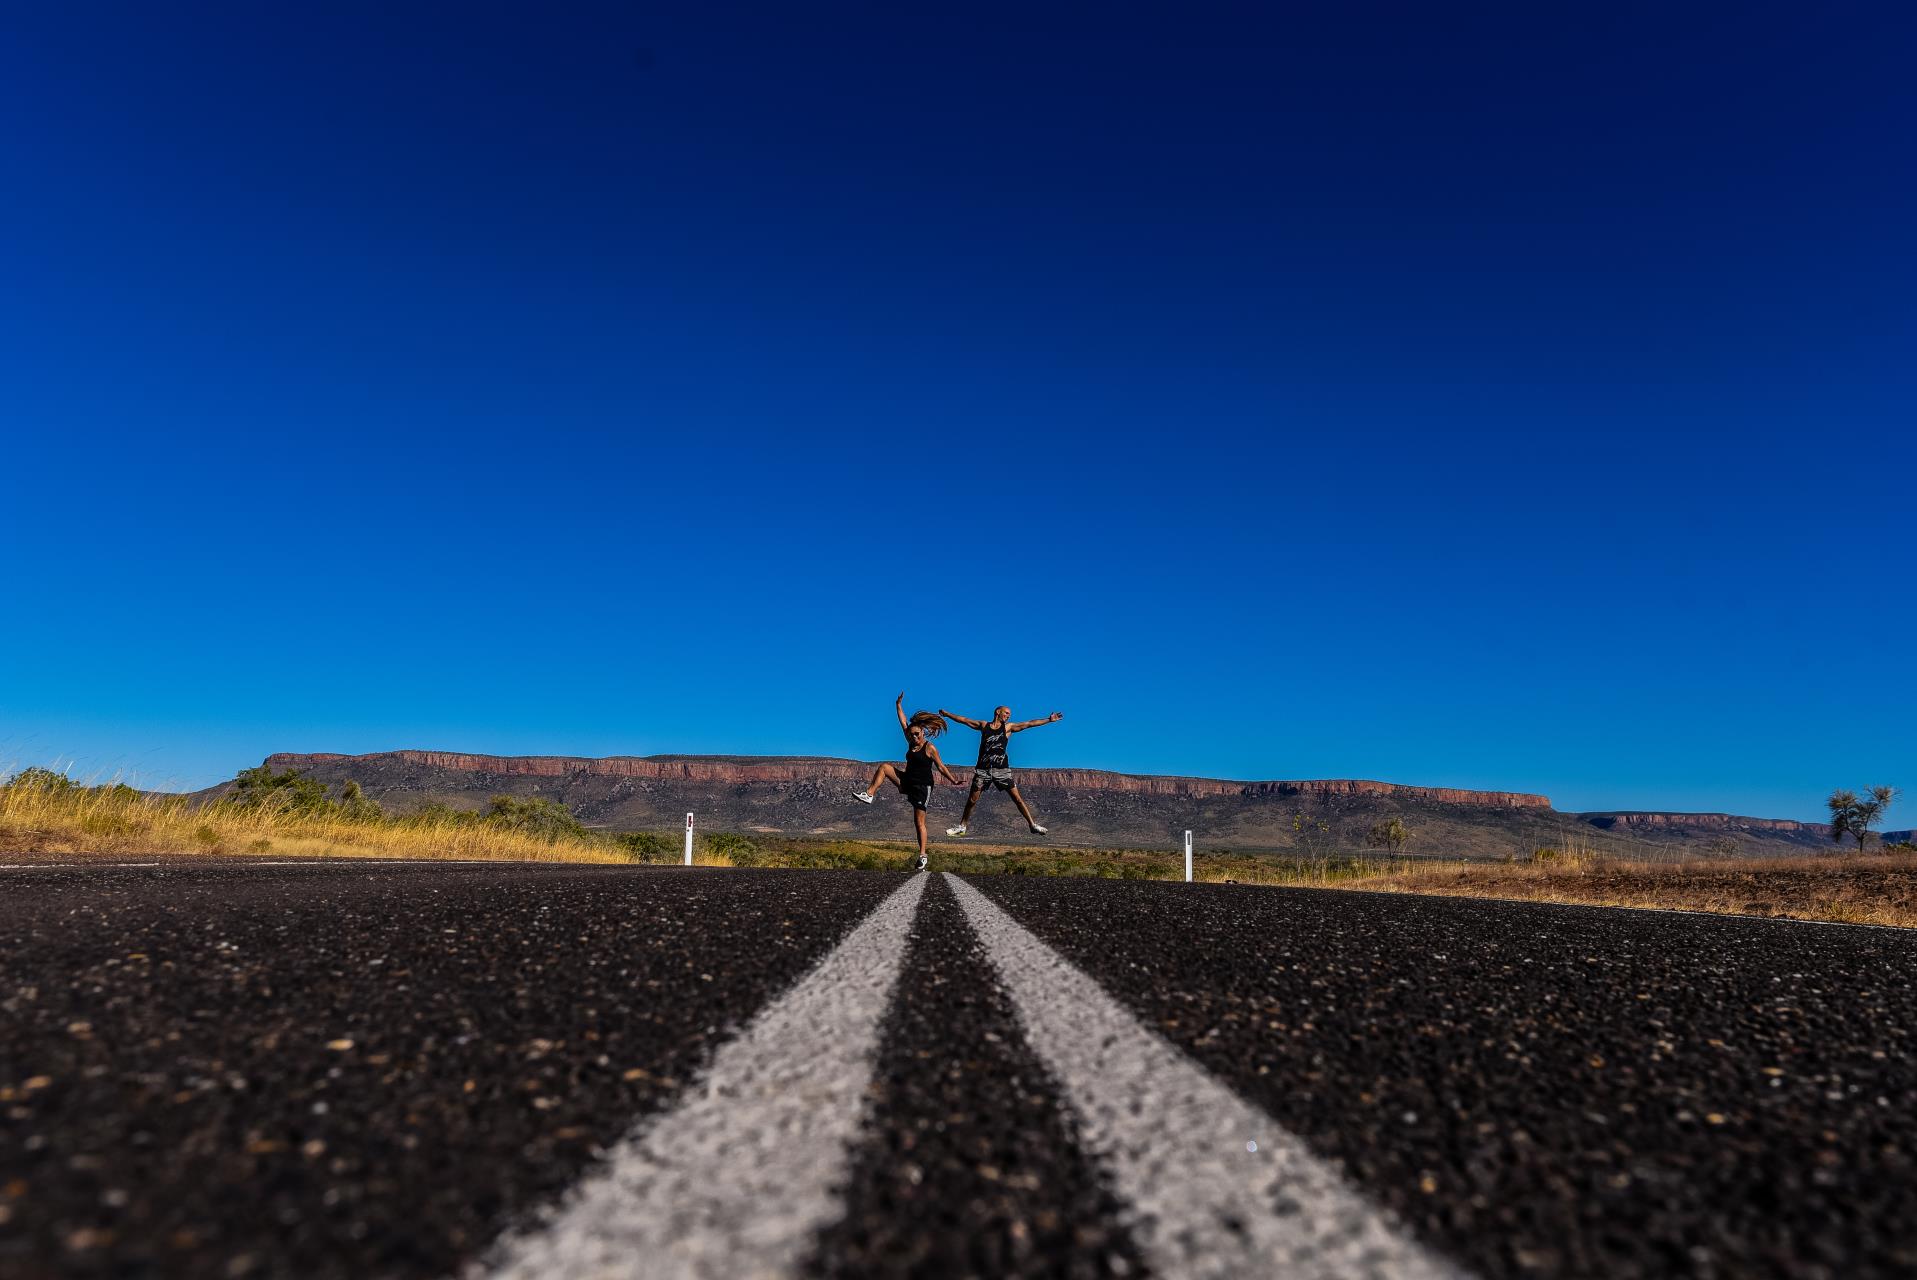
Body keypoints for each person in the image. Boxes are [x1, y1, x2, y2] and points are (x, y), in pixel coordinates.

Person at [852, 692, 960, 870]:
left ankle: (923, 855)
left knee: (919, 822)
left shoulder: (930, 747)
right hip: (907, 781)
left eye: (917, 734)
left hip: (922, 787)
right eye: (911, 735)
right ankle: (869, 794)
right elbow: (903, 722)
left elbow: (940, 767)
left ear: (923, 732)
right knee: (885, 767)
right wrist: (898, 705)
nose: (914, 738)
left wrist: (953, 780)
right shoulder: (911, 742)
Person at [938, 705, 1062, 837]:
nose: (1008, 716)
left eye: (1009, 714)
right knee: (972, 800)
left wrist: (1048, 719)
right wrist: (947, 714)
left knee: (1017, 799)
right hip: (983, 770)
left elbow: (1029, 724)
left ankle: (1032, 825)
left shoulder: (1008, 728)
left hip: (1002, 770)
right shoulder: (984, 725)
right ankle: (962, 826)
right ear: (998, 712)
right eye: (1006, 713)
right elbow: (964, 719)